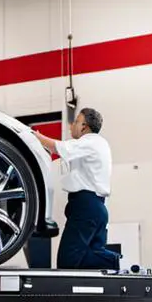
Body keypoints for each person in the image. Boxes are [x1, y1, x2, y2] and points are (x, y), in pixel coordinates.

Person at [32, 108, 121, 270]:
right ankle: (112, 263)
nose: (71, 125)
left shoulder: (91, 141)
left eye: (76, 122)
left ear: (84, 126)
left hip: (86, 207)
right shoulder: (97, 144)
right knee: (90, 263)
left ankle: (115, 261)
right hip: (95, 207)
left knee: (67, 261)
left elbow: (59, 147)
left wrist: (36, 137)